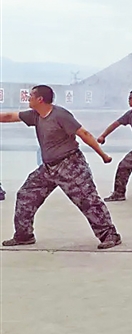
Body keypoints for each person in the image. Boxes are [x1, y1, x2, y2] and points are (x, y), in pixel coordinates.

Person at [0, 85, 122, 249]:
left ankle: (110, 235)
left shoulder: (60, 115)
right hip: (49, 168)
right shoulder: (35, 115)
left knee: (88, 200)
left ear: (40, 99)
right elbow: (9, 116)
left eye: (31, 96)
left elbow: (84, 134)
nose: (28, 98)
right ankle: (24, 235)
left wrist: (103, 155)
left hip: (70, 165)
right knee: (26, 194)